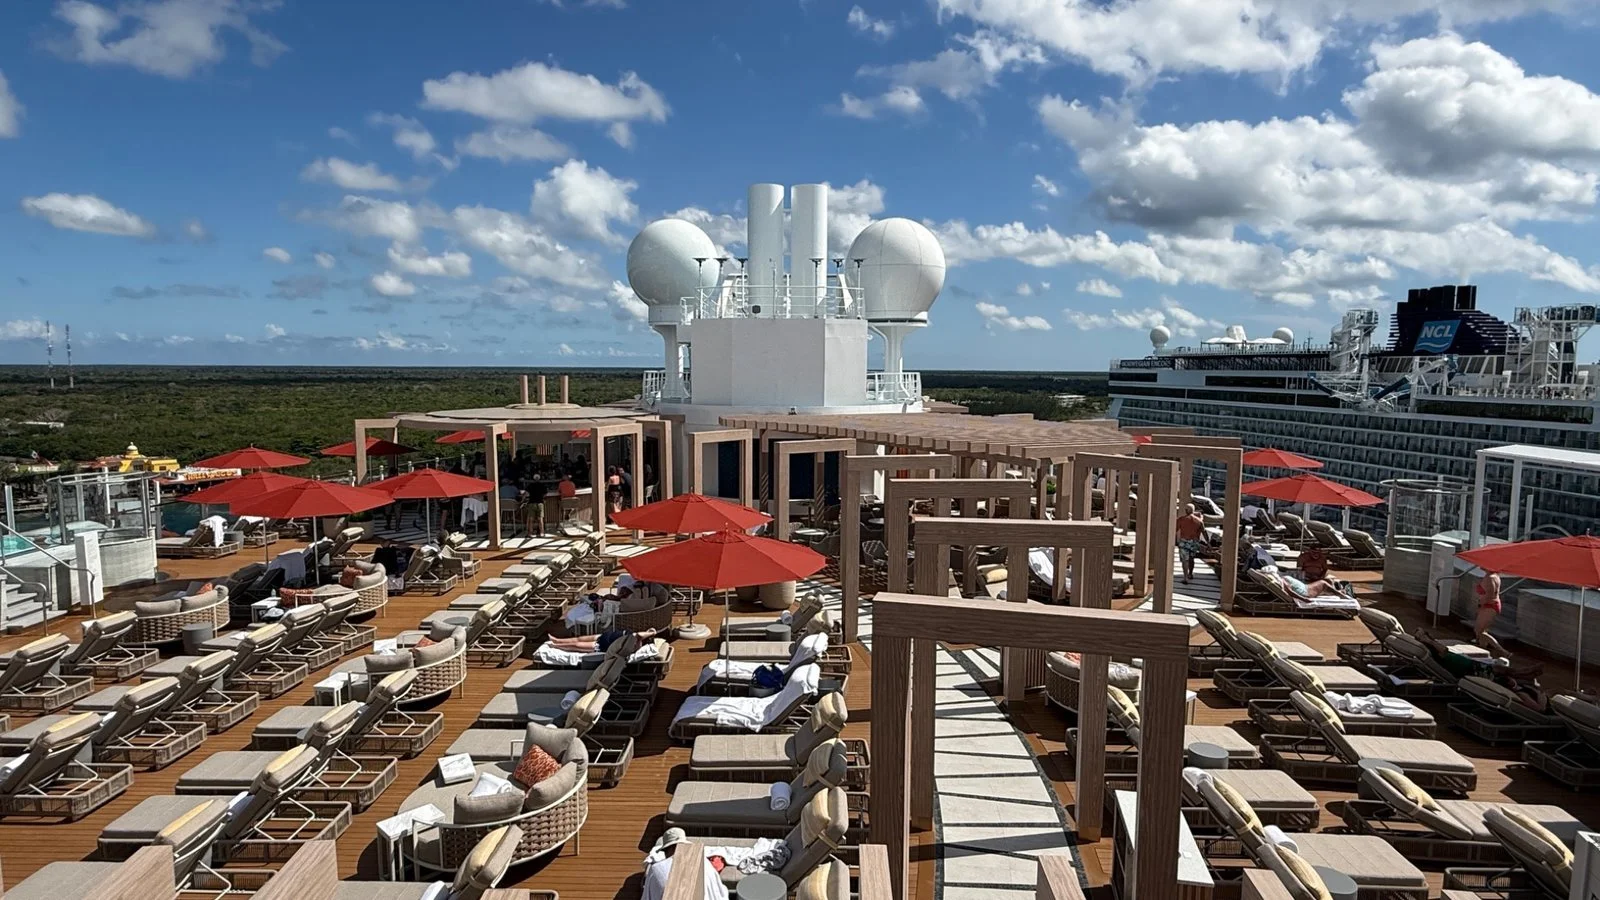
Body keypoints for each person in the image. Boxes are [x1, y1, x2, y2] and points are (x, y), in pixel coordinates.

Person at [545, 627, 662, 654]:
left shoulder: (636, 645)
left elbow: (640, 635)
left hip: (601, 645)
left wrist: (652, 632)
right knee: (579, 638)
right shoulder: (635, 636)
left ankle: (556, 646)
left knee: (576, 645)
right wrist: (650, 631)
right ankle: (558, 640)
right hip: (603, 636)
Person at [1176, 503, 1207, 584]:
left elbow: (1174, 529)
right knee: (1191, 559)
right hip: (1194, 542)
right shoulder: (1199, 521)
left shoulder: (1181, 519)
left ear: (1186, 510)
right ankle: (1190, 573)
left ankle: (1185, 577)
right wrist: (1209, 544)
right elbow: (1204, 532)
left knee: (1184, 560)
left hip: (1184, 541)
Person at [1475, 571, 1502, 649]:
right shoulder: (1493, 576)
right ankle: (1482, 647)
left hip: (1489, 606)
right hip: (1489, 605)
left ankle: (1502, 651)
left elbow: (1489, 595)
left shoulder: (1490, 578)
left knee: (1479, 631)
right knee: (1482, 631)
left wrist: (1480, 605)